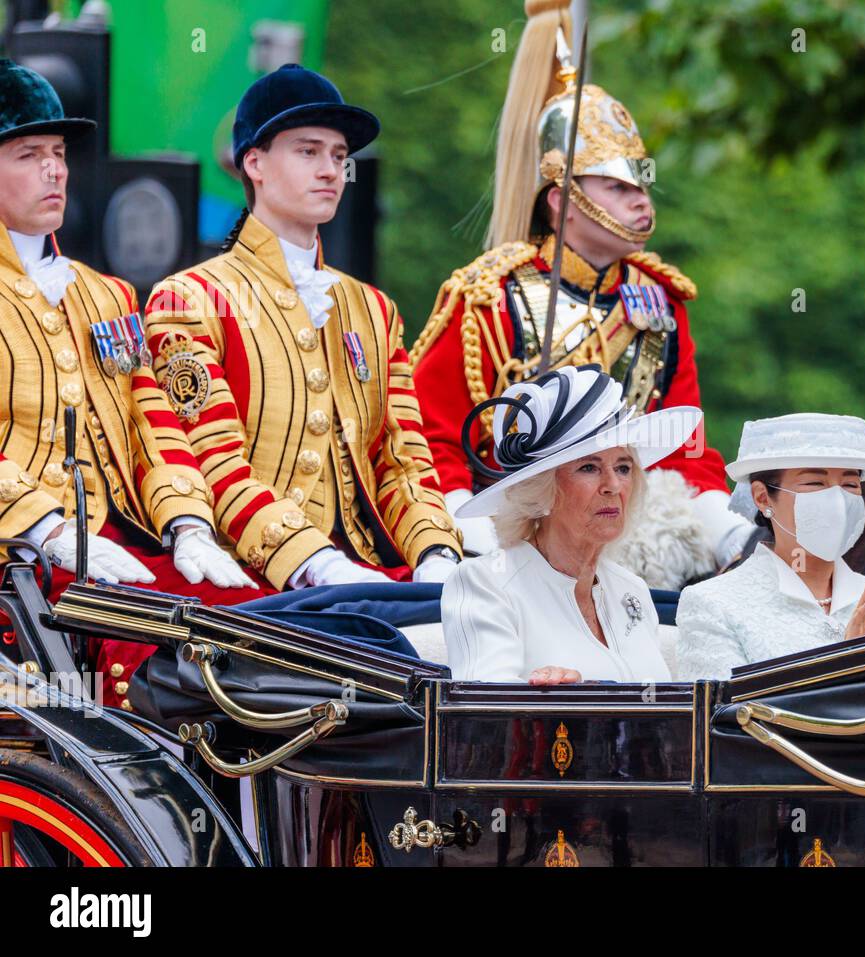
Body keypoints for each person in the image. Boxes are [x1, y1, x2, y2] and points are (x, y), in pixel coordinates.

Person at [409, 0, 750, 588]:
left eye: (641, 184)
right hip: (509, 543)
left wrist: (726, 529)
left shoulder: (660, 301)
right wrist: (473, 538)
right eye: (616, 187)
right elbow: (434, 437)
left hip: (640, 546)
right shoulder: (489, 296)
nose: (641, 201)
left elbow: (684, 444)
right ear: (561, 199)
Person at [0, 59, 265, 707]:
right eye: (29, 154)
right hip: (18, 561)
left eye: (58, 153)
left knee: (263, 621)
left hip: (122, 544)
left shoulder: (109, 295)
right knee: (170, 659)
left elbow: (156, 424)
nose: (55, 170)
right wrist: (45, 527)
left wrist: (187, 522)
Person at [143, 64, 462, 592]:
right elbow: (212, 458)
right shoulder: (191, 299)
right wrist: (318, 562)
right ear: (255, 163)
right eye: (308, 151)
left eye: (339, 156)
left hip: (373, 571)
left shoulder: (375, 310)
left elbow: (404, 463)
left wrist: (435, 553)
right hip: (252, 577)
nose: (331, 170)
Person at [442, 364, 700, 685]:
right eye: (589, 467)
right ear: (543, 491)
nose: (613, 486)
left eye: (623, 467)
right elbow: (484, 714)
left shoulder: (631, 589)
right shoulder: (486, 584)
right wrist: (566, 703)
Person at [675, 414, 865, 681]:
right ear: (762, 497)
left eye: (850, 484)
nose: (838, 500)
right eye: (815, 484)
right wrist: (846, 668)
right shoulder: (713, 605)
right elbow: (727, 719)